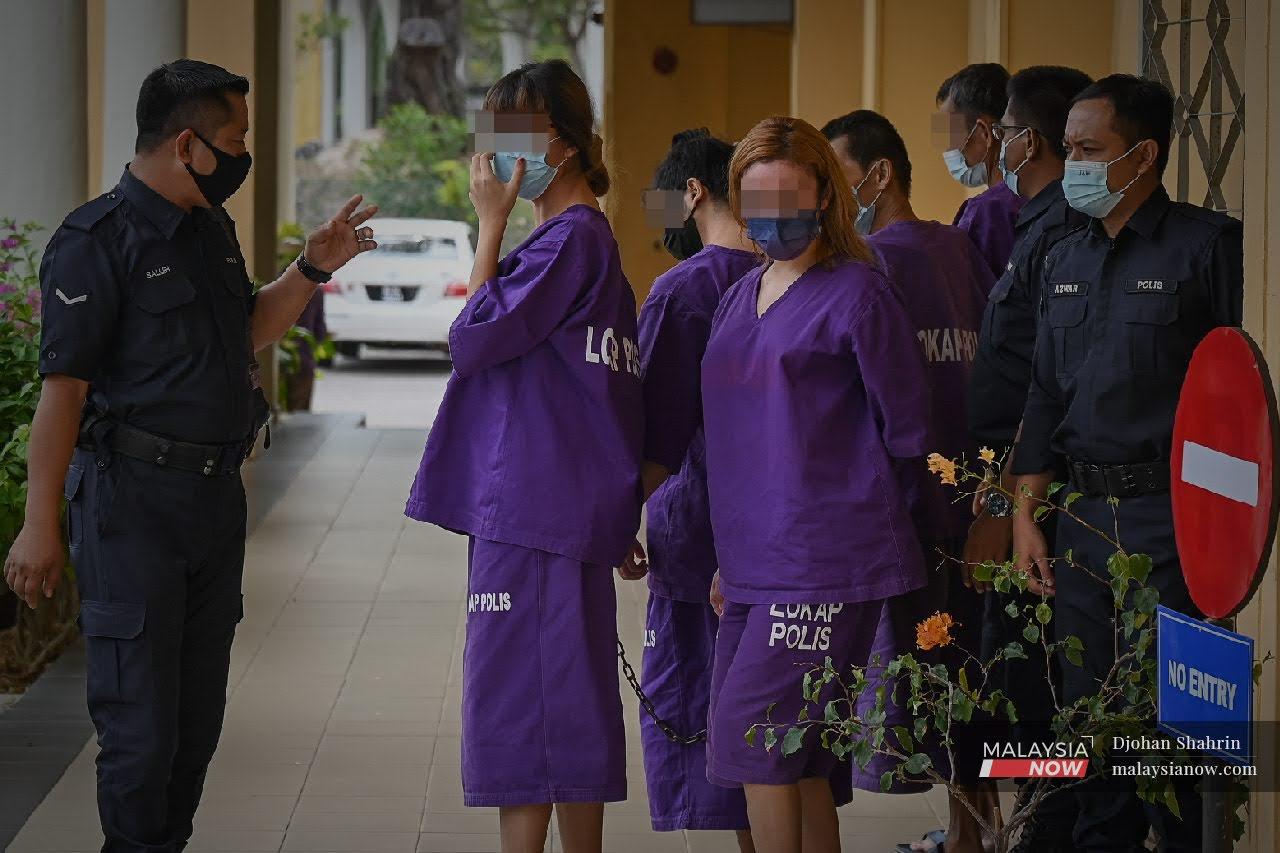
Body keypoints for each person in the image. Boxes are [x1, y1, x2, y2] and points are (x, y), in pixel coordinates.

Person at [2, 59, 377, 853]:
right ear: (187, 144)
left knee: (192, 732)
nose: (242, 153)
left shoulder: (209, 227)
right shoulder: (94, 241)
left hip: (212, 504)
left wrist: (312, 268)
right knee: (139, 740)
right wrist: (40, 523)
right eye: (234, 138)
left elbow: (241, 331)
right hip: (130, 505)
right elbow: (61, 393)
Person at [403, 59, 639, 853]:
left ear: (563, 146)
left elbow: (469, 339)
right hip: (565, 510)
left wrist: (488, 225)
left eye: (513, 134)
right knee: (569, 704)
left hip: (534, 514)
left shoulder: (565, 243)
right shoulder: (586, 244)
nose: (493, 153)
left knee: (521, 709)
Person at [1011, 74, 1242, 852]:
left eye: (1087, 150)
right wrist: (1025, 515)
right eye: (1068, 146)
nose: (1070, 163)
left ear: (1142, 155)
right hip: (1079, 520)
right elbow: (1044, 394)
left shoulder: (1208, 247)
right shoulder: (1063, 256)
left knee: (1171, 723)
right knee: (1087, 712)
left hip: (1171, 521)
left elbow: (1240, 397)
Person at [700, 115, 932, 853]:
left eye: (788, 198)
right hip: (752, 560)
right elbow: (738, 437)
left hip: (828, 559)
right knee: (796, 757)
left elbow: (911, 434)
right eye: (755, 201)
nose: (770, 219)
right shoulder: (742, 295)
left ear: (825, 198)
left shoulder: (860, 295)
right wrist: (729, 558)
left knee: (759, 737)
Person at [823, 109, 995, 853]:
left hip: (914, 510)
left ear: (879, 173)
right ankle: (971, 831)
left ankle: (969, 834)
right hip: (978, 503)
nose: (830, 195)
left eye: (835, 176)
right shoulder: (960, 249)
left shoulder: (869, 265)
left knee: (943, 685)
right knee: (973, 680)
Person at [964, 65, 1093, 853]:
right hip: (1017, 497)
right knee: (1015, 684)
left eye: (1004, 129)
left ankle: (1048, 830)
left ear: (1025, 139)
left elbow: (1040, 389)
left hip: (1028, 504)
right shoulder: (1036, 228)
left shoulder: (1055, 236)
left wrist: (1001, 509)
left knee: (1027, 683)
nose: (997, 144)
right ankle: (1037, 827)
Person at [620, 128, 760, 851]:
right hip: (776, 536)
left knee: (705, 705)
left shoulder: (681, 290)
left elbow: (654, 428)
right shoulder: (792, 276)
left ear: (694, 193)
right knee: (769, 719)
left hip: (697, 529)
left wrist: (617, 517)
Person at [935, 63, 1026, 278]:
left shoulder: (987, 212)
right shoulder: (1044, 195)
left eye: (953, 135)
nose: (950, 148)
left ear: (984, 132)